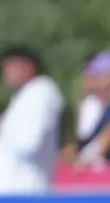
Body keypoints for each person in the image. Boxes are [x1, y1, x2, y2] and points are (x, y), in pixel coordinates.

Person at [0, 47, 64, 194]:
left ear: (28, 66)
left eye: (11, 67)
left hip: (24, 193)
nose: (6, 73)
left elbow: (27, 143)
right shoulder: (22, 97)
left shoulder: (40, 91)